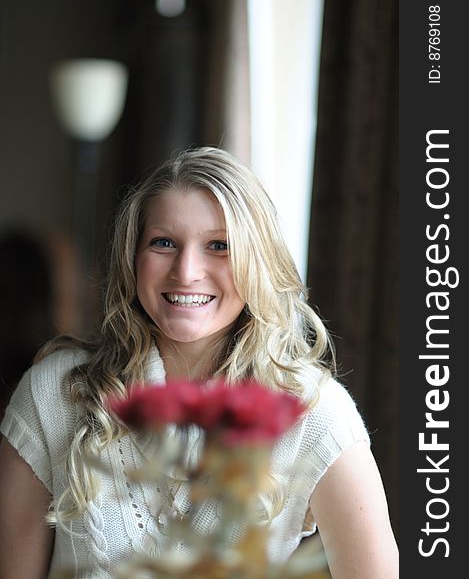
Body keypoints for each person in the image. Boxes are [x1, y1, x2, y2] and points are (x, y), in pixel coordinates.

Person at [0, 146, 399, 578]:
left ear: (257, 261)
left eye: (218, 246)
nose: (186, 271)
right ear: (133, 257)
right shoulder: (54, 393)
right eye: (164, 242)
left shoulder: (315, 414)